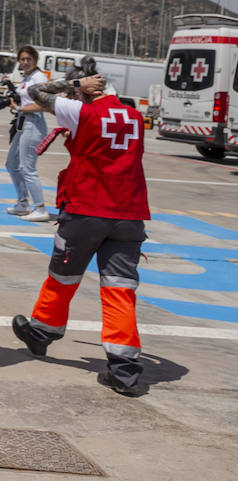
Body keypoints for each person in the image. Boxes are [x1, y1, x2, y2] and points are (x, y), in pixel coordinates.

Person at [13, 60, 150, 396]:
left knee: (63, 275)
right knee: (120, 288)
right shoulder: (134, 117)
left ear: (89, 91)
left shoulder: (81, 111)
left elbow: (32, 91)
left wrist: (73, 86)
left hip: (87, 208)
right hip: (128, 214)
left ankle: (42, 333)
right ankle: (124, 369)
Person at [5, 45, 51, 222]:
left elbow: (45, 105)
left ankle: (40, 208)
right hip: (23, 122)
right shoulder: (28, 77)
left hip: (34, 123)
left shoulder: (39, 78)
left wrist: (20, 107)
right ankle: (23, 202)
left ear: (35, 60)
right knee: (11, 163)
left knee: (27, 167)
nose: (25, 62)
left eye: (28, 59)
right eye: (22, 59)